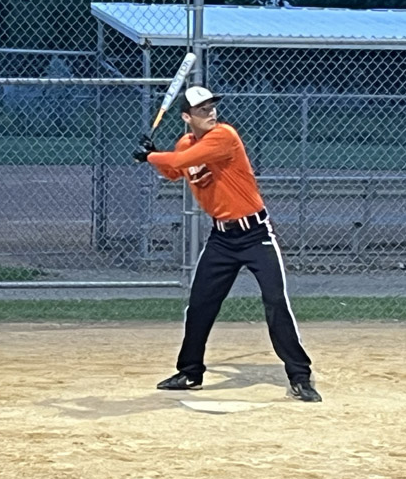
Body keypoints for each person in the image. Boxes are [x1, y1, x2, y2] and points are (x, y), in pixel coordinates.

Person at [134, 85, 322, 402]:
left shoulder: (224, 136)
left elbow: (187, 158)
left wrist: (150, 155)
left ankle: (300, 376)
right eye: (202, 109)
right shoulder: (184, 143)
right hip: (222, 238)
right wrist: (153, 156)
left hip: (255, 234)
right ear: (186, 117)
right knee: (200, 304)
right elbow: (174, 170)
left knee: (275, 301)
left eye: (211, 107)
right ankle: (190, 372)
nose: (210, 112)